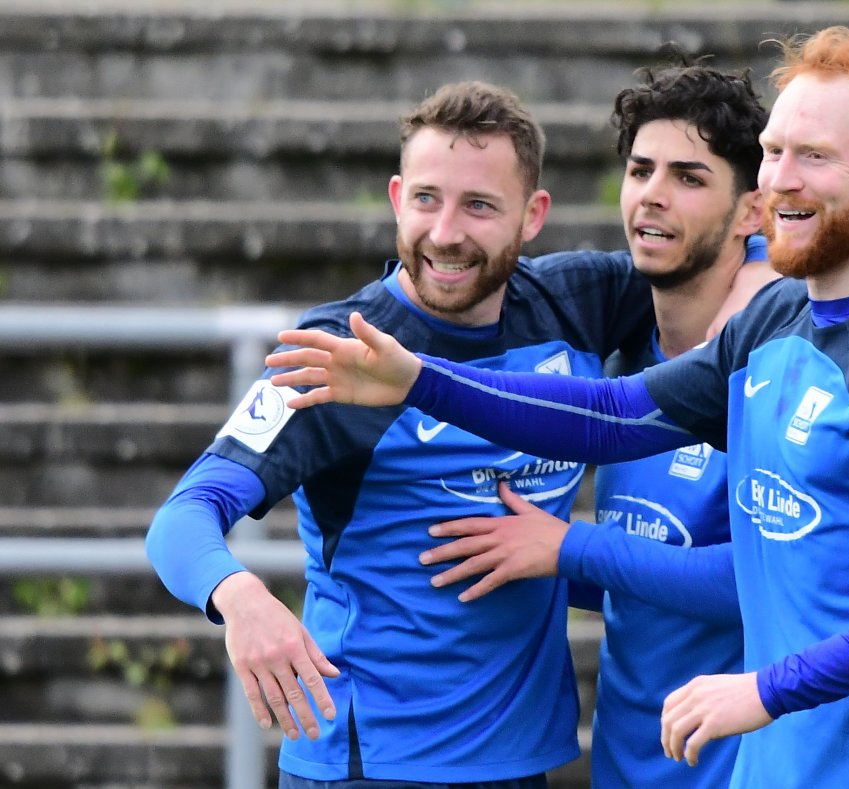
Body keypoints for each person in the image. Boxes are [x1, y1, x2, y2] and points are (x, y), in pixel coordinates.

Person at [267, 25, 849, 788]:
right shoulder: (776, 322)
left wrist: (766, 686)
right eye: (774, 151)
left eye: (816, 157)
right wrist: (420, 380)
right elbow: (614, 413)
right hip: (781, 766)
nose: (783, 179)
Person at [146, 80, 772, 787]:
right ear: (394, 198)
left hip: (522, 761)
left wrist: (760, 279)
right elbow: (183, 515)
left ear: (532, 215)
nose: (445, 232)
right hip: (372, 763)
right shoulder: (337, 352)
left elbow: (704, 252)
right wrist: (239, 596)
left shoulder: (577, 303)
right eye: (425, 199)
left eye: (478, 205)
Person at [427, 63, 776, 788]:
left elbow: (766, 580)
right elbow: (645, 565)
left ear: (751, 212)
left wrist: (570, 548)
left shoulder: (776, 366)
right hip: (625, 767)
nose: (652, 192)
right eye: (641, 169)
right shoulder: (616, 356)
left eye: (689, 176)